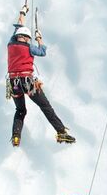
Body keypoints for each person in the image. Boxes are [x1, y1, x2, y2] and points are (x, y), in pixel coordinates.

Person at [6, 14, 75, 148]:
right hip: (28, 82)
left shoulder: (10, 44)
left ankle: (16, 136)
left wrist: (22, 13)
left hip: (14, 83)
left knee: (20, 110)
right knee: (45, 107)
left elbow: (17, 29)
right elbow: (42, 52)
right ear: (27, 38)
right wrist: (39, 39)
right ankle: (61, 132)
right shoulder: (29, 46)